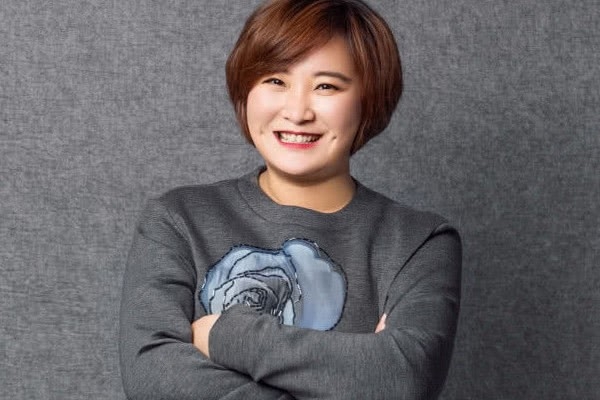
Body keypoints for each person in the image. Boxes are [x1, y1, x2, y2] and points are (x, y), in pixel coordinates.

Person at [119, 0, 461, 399]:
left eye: (326, 86)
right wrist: (355, 374)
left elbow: (404, 379)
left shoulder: (419, 241)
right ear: (245, 90)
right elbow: (151, 377)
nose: (297, 112)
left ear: (369, 99)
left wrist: (225, 336)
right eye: (275, 80)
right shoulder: (177, 221)